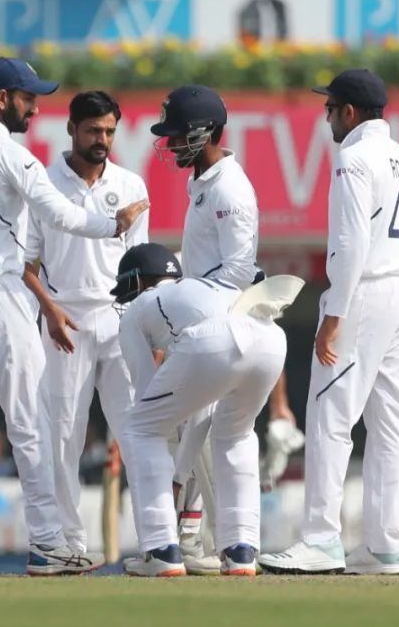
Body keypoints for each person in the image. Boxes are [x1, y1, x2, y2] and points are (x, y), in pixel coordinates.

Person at [0, 57, 148, 577]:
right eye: (27, 96)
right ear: (0, 98)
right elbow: (58, 213)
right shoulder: (13, 155)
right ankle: (47, 544)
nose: (36, 106)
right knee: (32, 420)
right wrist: (114, 225)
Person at [260, 69, 399, 576]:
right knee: (390, 420)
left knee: (331, 413)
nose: (326, 116)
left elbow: (350, 245)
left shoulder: (353, 159)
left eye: (329, 108)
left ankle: (322, 539)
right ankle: (382, 545)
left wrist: (334, 316)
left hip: (368, 290)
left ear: (349, 113)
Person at [112, 243, 290, 576]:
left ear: (136, 283)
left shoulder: (138, 309)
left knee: (140, 429)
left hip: (215, 339)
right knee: (236, 433)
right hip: (270, 338)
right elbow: (198, 417)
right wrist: (179, 473)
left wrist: (176, 478)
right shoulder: (200, 287)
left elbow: (151, 410)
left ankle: (160, 549)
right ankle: (241, 551)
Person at [21, 90, 149, 555]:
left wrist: (147, 327)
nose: (103, 139)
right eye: (94, 130)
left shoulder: (132, 184)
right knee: (63, 438)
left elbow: (143, 268)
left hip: (119, 320)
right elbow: (22, 263)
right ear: (71, 129)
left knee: (138, 432)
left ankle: (155, 542)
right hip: (64, 320)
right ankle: (68, 546)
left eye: (110, 131)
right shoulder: (42, 182)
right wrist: (49, 309)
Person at [150, 84, 266, 574]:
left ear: (208, 133)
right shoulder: (203, 180)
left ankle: (213, 544)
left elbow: (239, 271)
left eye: (180, 136)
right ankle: (214, 545)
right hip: (206, 323)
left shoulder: (229, 189)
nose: (171, 145)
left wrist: (184, 307)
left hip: (224, 325)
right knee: (200, 432)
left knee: (210, 433)